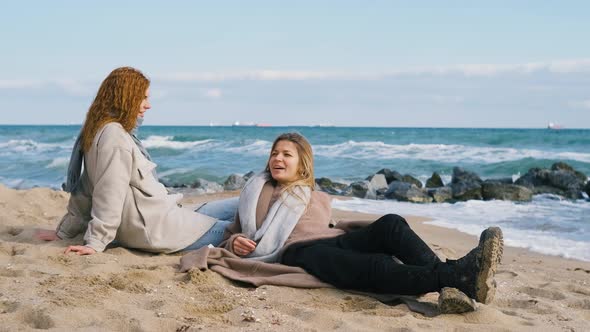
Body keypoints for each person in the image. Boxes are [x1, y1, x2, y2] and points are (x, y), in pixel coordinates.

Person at [221, 132, 503, 312]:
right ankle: (457, 277)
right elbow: (233, 233)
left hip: (331, 240)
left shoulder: (312, 194)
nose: (277, 158)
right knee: (376, 265)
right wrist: (236, 242)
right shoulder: (257, 191)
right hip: (297, 252)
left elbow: (326, 227)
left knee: (391, 223)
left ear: (302, 164)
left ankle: (452, 284)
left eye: (286, 154)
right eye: (274, 153)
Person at [36, 67, 231, 255]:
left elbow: (85, 189)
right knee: (245, 232)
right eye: (143, 98)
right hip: (155, 228)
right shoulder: (114, 136)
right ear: (125, 97)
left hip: (161, 211)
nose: (148, 105)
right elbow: (108, 191)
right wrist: (96, 242)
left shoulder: (101, 129)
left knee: (243, 204)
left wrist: (64, 232)